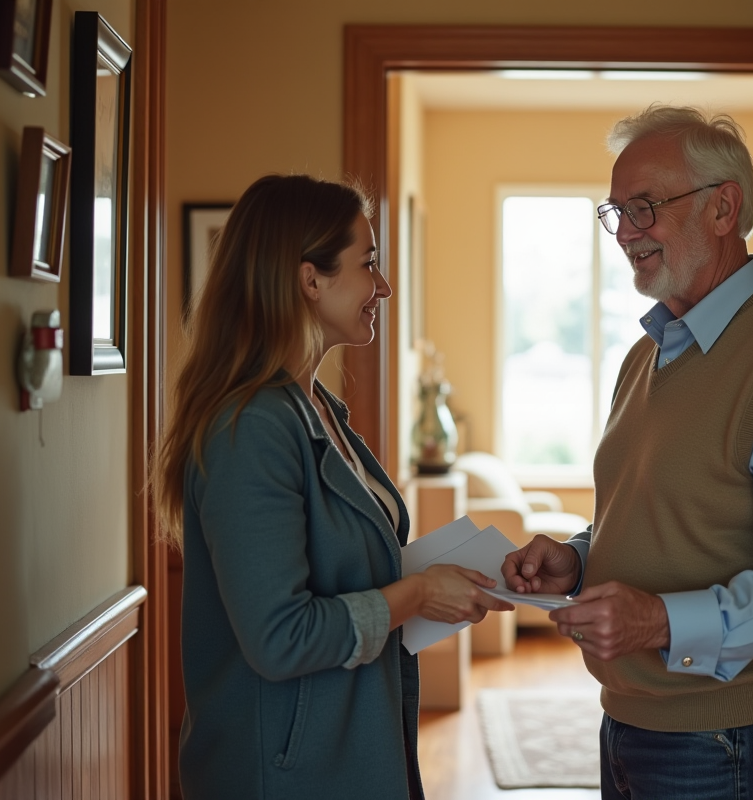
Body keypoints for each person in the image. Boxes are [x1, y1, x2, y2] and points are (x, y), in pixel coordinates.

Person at [502, 106, 753, 799]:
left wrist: (660, 620)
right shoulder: (648, 355)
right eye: (615, 212)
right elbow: (668, 519)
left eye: (644, 207)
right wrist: (579, 559)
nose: (626, 234)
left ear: (723, 208)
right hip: (628, 725)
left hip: (725, 742)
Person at [154, 174, 512, 799]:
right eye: (368, 264)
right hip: (286, 773)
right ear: (309, 279)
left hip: (347, 750)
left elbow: (346, 566)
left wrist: (478, 573)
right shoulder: (253, 428)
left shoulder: (314, 407)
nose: (384, 287)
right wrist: (419, 593)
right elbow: (280, 637)